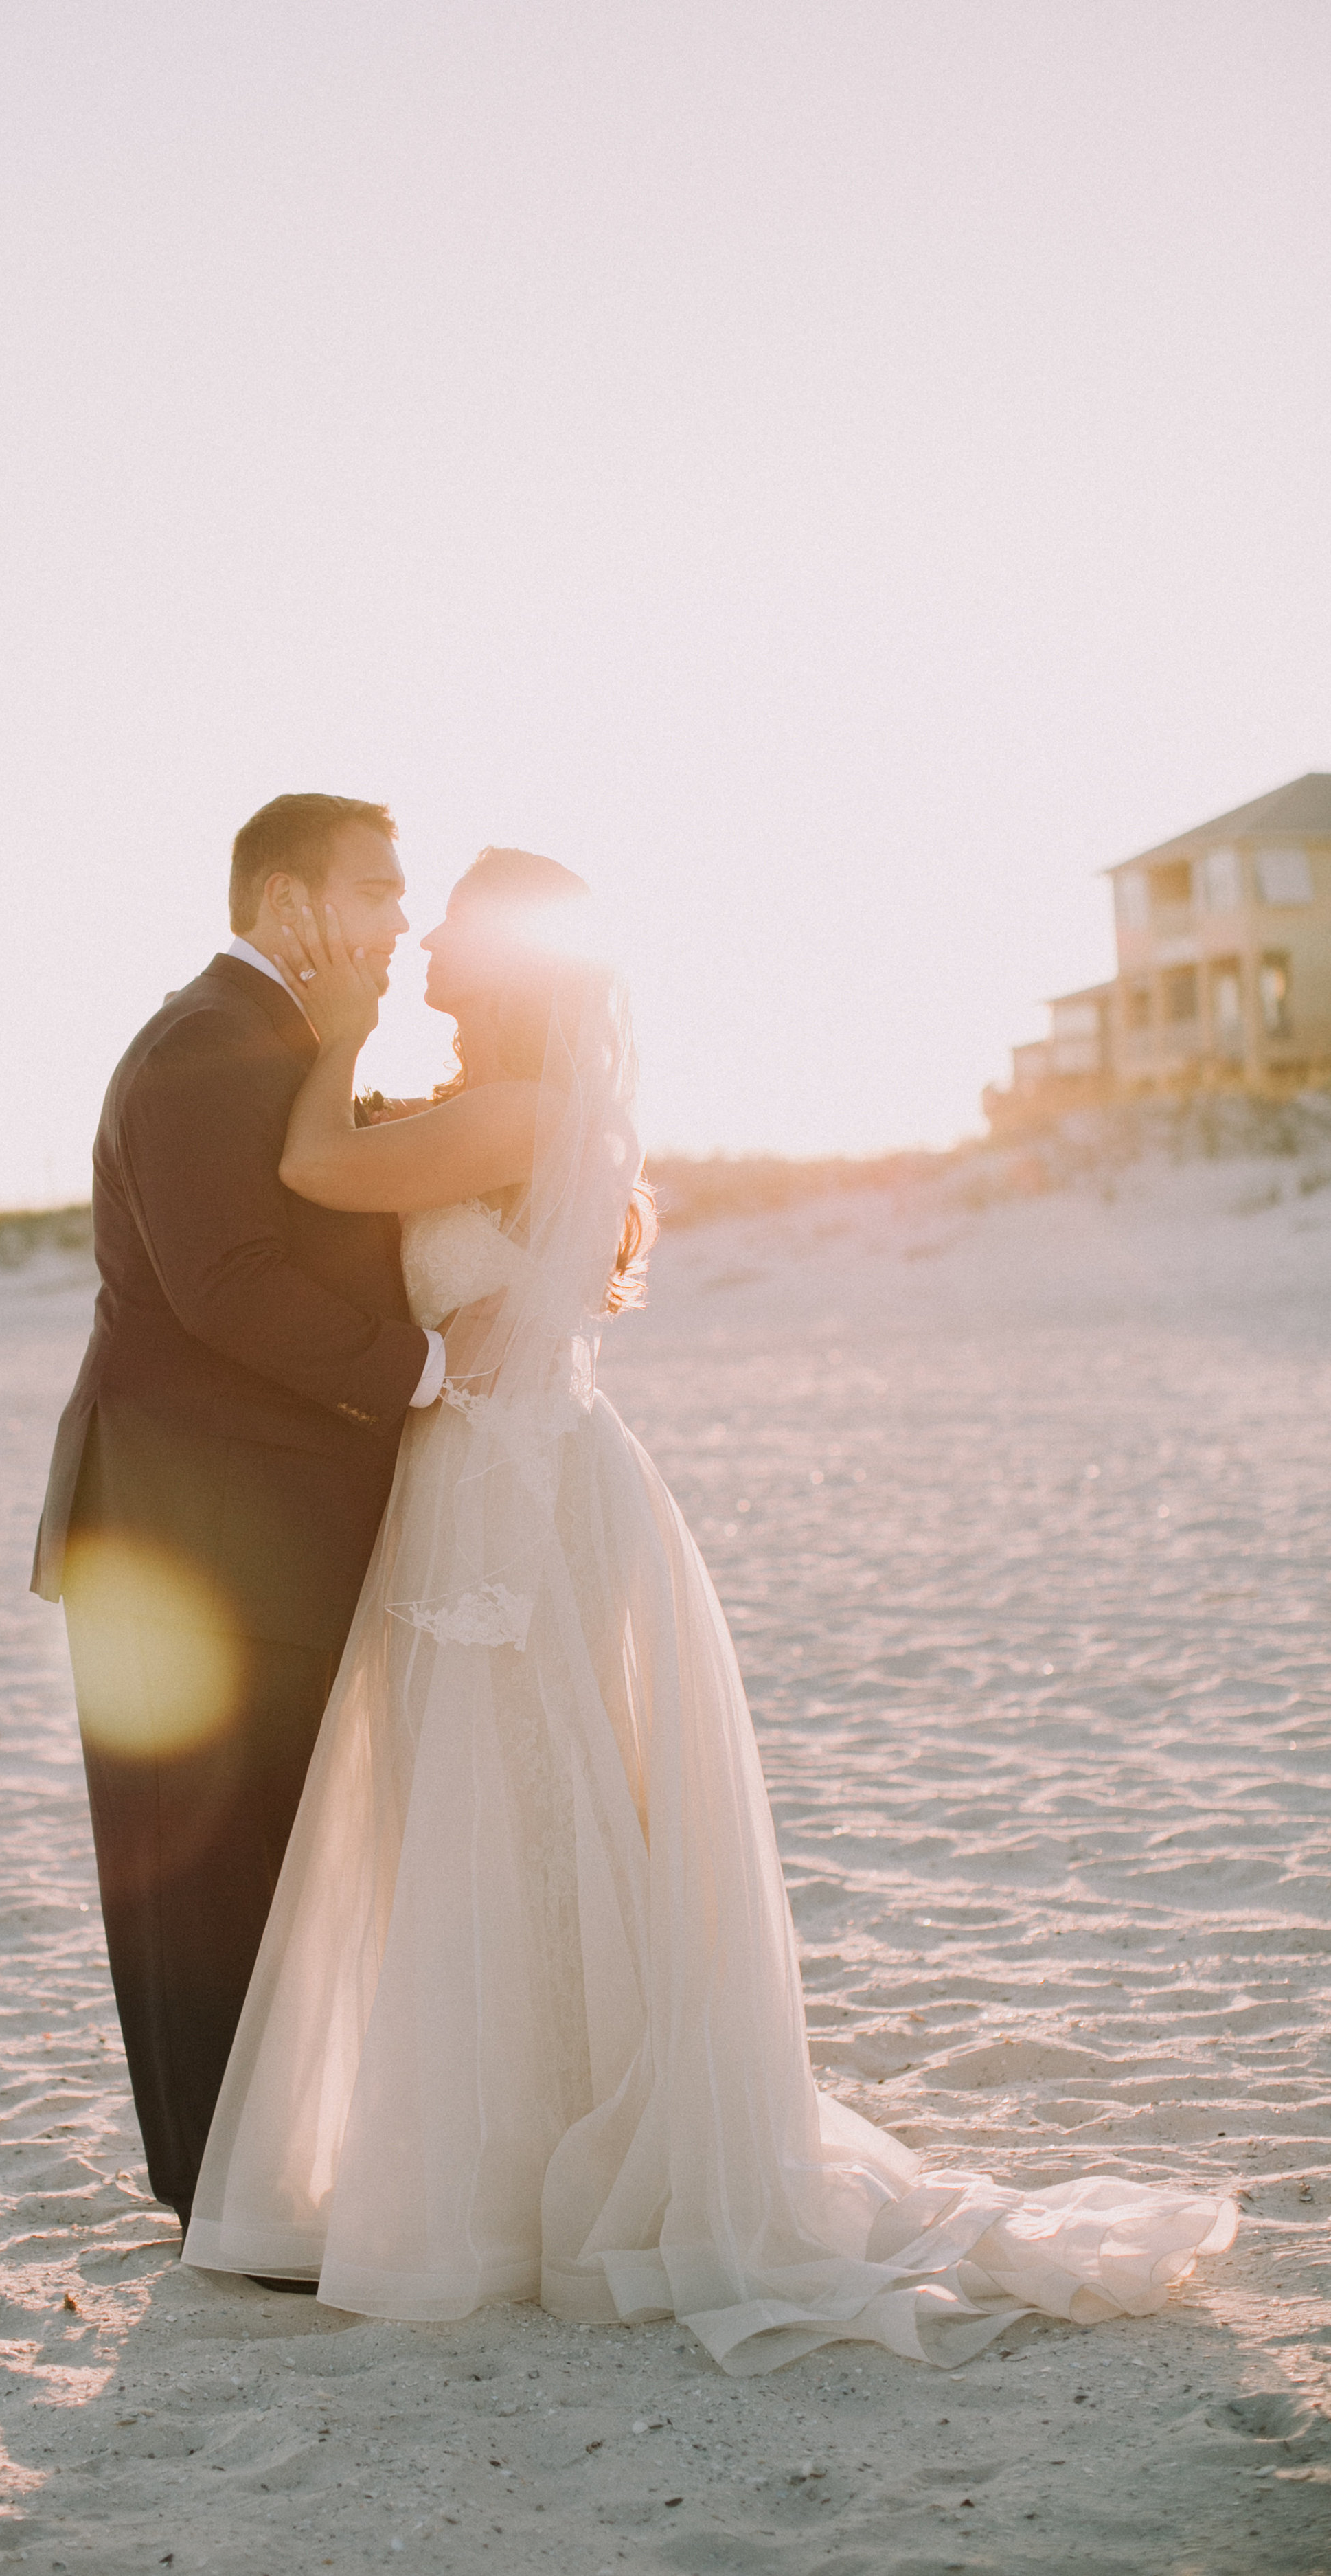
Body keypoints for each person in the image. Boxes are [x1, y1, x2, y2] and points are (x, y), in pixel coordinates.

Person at [182, 846, 1236, 2373]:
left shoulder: (519, 1114)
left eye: (456, 936)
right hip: (511, 1472)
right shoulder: (511, 1110)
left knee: (523, 1807)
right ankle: (516, 2143)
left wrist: (335, 1020)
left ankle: (519, 2173)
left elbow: (313, 1172)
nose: (424, 954)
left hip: (509, 1485)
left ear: (516, 970)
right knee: (516, 1813)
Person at [31, 793, 445, 2241]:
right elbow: (230, 1284)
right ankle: (223, 2198)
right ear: (288, 906)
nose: (404, 920)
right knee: (198, 1867)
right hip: (182, 1536)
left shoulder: (274, 1046)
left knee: (263, 1856)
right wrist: (431, 1370)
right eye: (379, 890)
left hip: (236, 1523)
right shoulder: (205, 1048)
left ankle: (256, 2182)